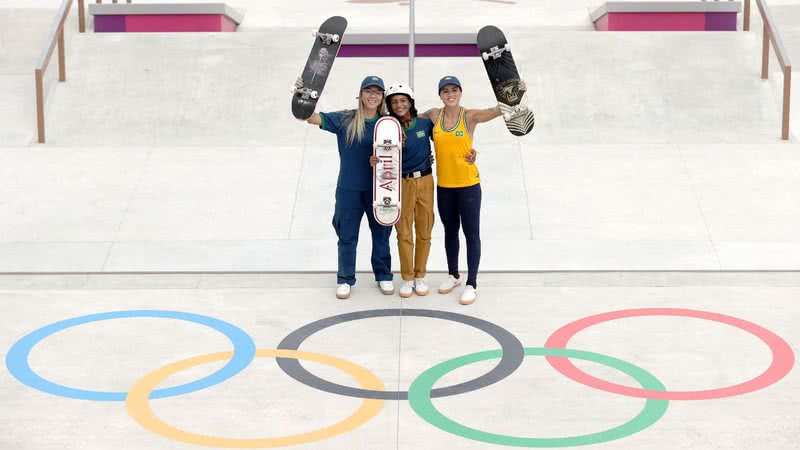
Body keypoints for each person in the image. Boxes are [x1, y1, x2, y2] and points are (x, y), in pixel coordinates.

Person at [420, 75, 526, 305]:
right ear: (440, 94)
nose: (450, 94)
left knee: (471, 233)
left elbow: (495, 110)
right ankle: (454, 275)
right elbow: (408, 123)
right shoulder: (433, 115)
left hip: (468, 186)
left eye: (454, 90)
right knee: (449, 231)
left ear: (460, 92)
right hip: (444, 186)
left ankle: (472, 283)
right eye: (445, 90)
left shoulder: (469, 116)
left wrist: (517, 93)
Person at [294, 75, 394, 300]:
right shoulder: (345, 119)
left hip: (380, 188)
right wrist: (301, 96)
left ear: (382, 97)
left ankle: (384, 275)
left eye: (377, 92)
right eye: (368, 91)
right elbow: (309, 118)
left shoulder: (387, 123)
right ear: (361, 94)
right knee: (347, 235)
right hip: (349, 188)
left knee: (381, 234)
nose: (372, 96)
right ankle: (345, 278)